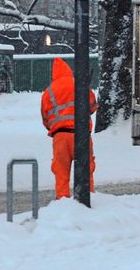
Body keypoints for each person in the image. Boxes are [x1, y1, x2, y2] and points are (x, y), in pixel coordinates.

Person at [41, 58, 98, 199]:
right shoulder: (79, 84)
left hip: (60, 137)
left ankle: (63, 200)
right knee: (86, 170)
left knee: (61, 172)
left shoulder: (48, 92)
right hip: (81, 135)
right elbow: (92, 106)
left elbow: (45, 118)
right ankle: (88, 197)